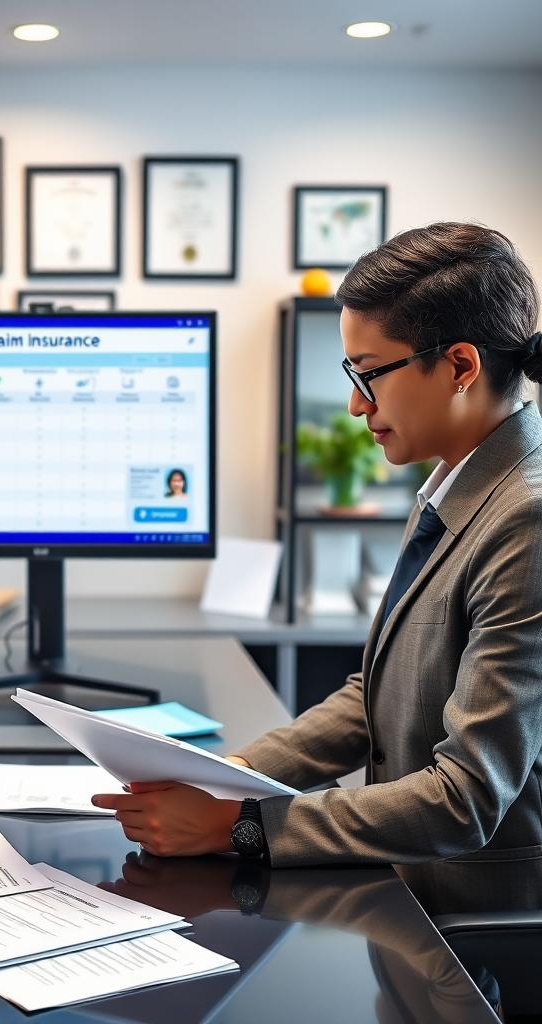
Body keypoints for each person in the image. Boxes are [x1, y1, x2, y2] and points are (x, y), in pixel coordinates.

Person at [94, 222, 542, 871]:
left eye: (370, 373)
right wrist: (231, 773)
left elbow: (464, 799)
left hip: (466, 912)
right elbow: (376, 697)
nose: (356, 405)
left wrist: (240, 825)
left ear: (460, 367)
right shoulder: (456, 485)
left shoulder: (526, 519)